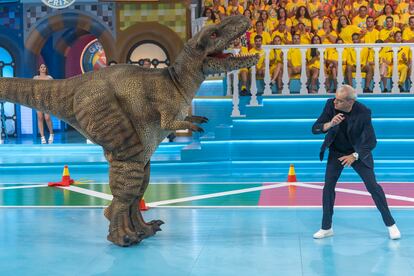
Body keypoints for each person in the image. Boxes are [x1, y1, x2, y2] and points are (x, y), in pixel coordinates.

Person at [311, 85, 401, 240]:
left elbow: (371, 141)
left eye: (339, 101)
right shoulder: (330, 105)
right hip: (336, 152)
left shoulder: (364, 112)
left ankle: (391, 225)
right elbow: (315, 128)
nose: (335, 103)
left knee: (373, 186)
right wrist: (330, 124)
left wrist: (355, 155)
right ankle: (326, 228)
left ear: (350, 102)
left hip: (357, 153)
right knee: (328, 188)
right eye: (335, 99)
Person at [34, 64, 54, 144]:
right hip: (38, 100)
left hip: (47, 100)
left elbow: (54, 89)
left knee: (47, 117)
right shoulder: (35, 78)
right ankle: (42, 137)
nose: (43, 68)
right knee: (40, 117)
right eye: (41, 67)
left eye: (44, 67)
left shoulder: (49, 78)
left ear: (46, 69)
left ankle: (51, 134)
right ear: (39, 69)